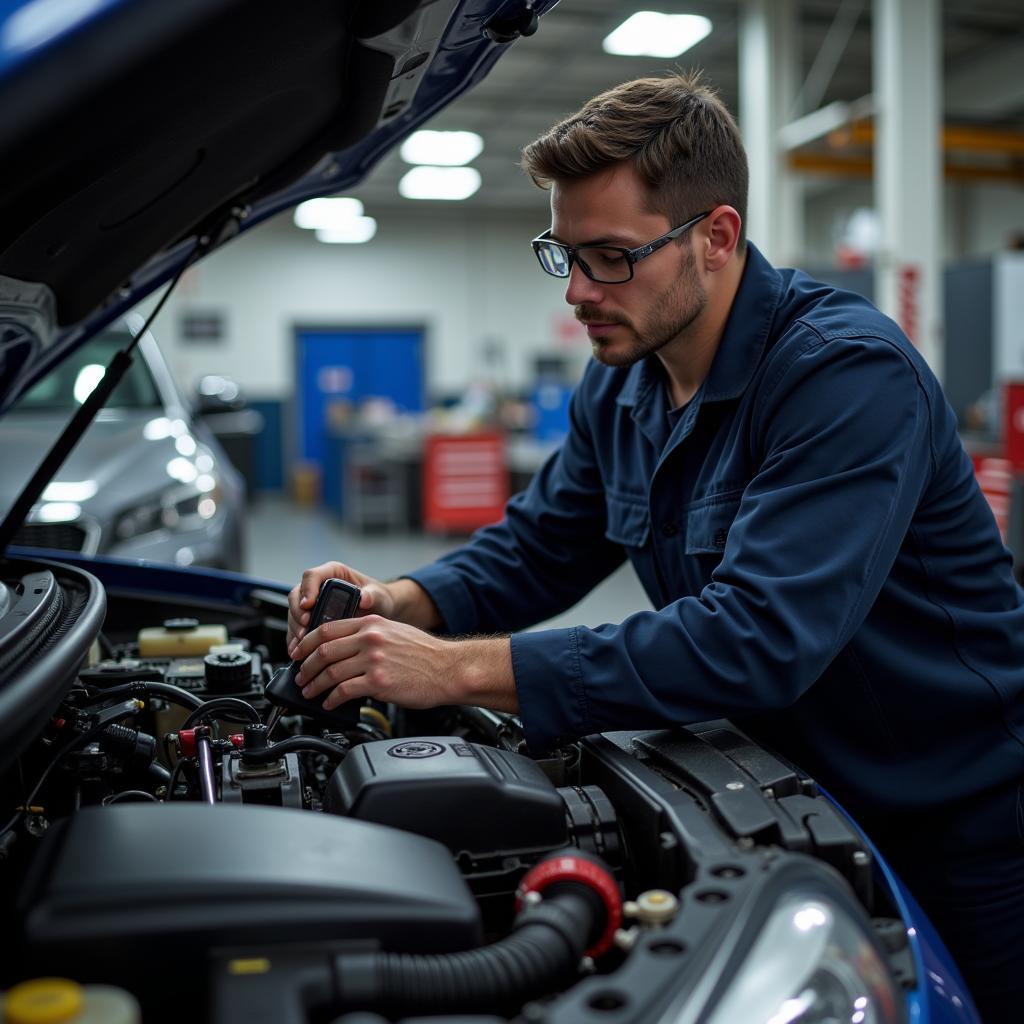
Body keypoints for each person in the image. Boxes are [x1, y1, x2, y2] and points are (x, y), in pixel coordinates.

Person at [287, 72, 1024, 1020]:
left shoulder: (843, 375)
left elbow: (754, 637)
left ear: (716, 238)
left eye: (612, 257)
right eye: (565, 256)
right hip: (781, 795)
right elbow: (538, 546)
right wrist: (404, 604)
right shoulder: (623, 385)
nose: (583, 293)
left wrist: (454, 671)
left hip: (950, 821)